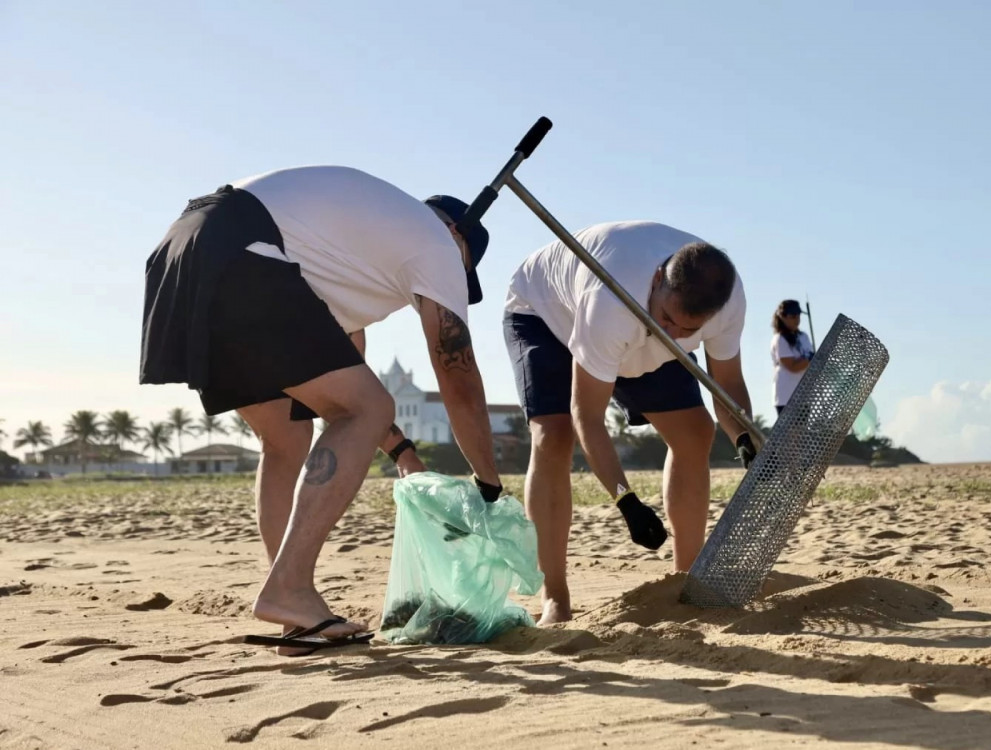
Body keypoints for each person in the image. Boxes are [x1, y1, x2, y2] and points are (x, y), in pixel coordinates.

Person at [140, 166, 504, 653]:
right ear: (456, 237)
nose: (454, 283)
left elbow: (347, 381)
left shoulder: (354, 247)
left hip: (186, 249)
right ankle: (288, 587)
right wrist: (488, 483)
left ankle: (295, 612)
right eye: (463, 270)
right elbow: (458, 382)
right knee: (364, 409)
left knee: (287, 438)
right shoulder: (435, 244)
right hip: (246, 253)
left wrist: (401, 451)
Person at [502, 220, 756, 625]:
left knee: (695, 431)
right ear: (658, 279)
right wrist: (626, 501)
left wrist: (745, 437)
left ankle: (685, 582)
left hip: (629, 327)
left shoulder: (726, 303)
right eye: (667, 319)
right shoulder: (609, 303)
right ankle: (556, 597)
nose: (671, 333)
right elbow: (587, 416)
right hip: (546, 314)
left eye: (687, 330)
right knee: (554, 437)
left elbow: (726, 384)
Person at [771, 299, 815, 415]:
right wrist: (810, 359)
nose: (797, 319)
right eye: (793, 316)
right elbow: (792, 366)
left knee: (803, 432)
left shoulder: (803, 336)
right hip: (786, 397)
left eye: (798, 315)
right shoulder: (780, 339)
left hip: (804, 396)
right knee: (792, 433)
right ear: (783, 317)